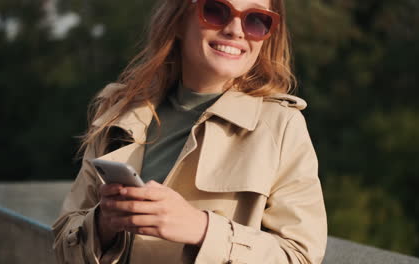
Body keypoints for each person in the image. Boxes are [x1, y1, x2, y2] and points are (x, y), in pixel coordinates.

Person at [52, 0, 327, 263]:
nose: (235, 30)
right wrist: (103, 224)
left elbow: (300, 256)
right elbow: (63, 243)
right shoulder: (119, 111)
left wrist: (203, 229)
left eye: (256, 20)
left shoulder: (281, 127)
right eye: (216, 10)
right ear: (179, 18)